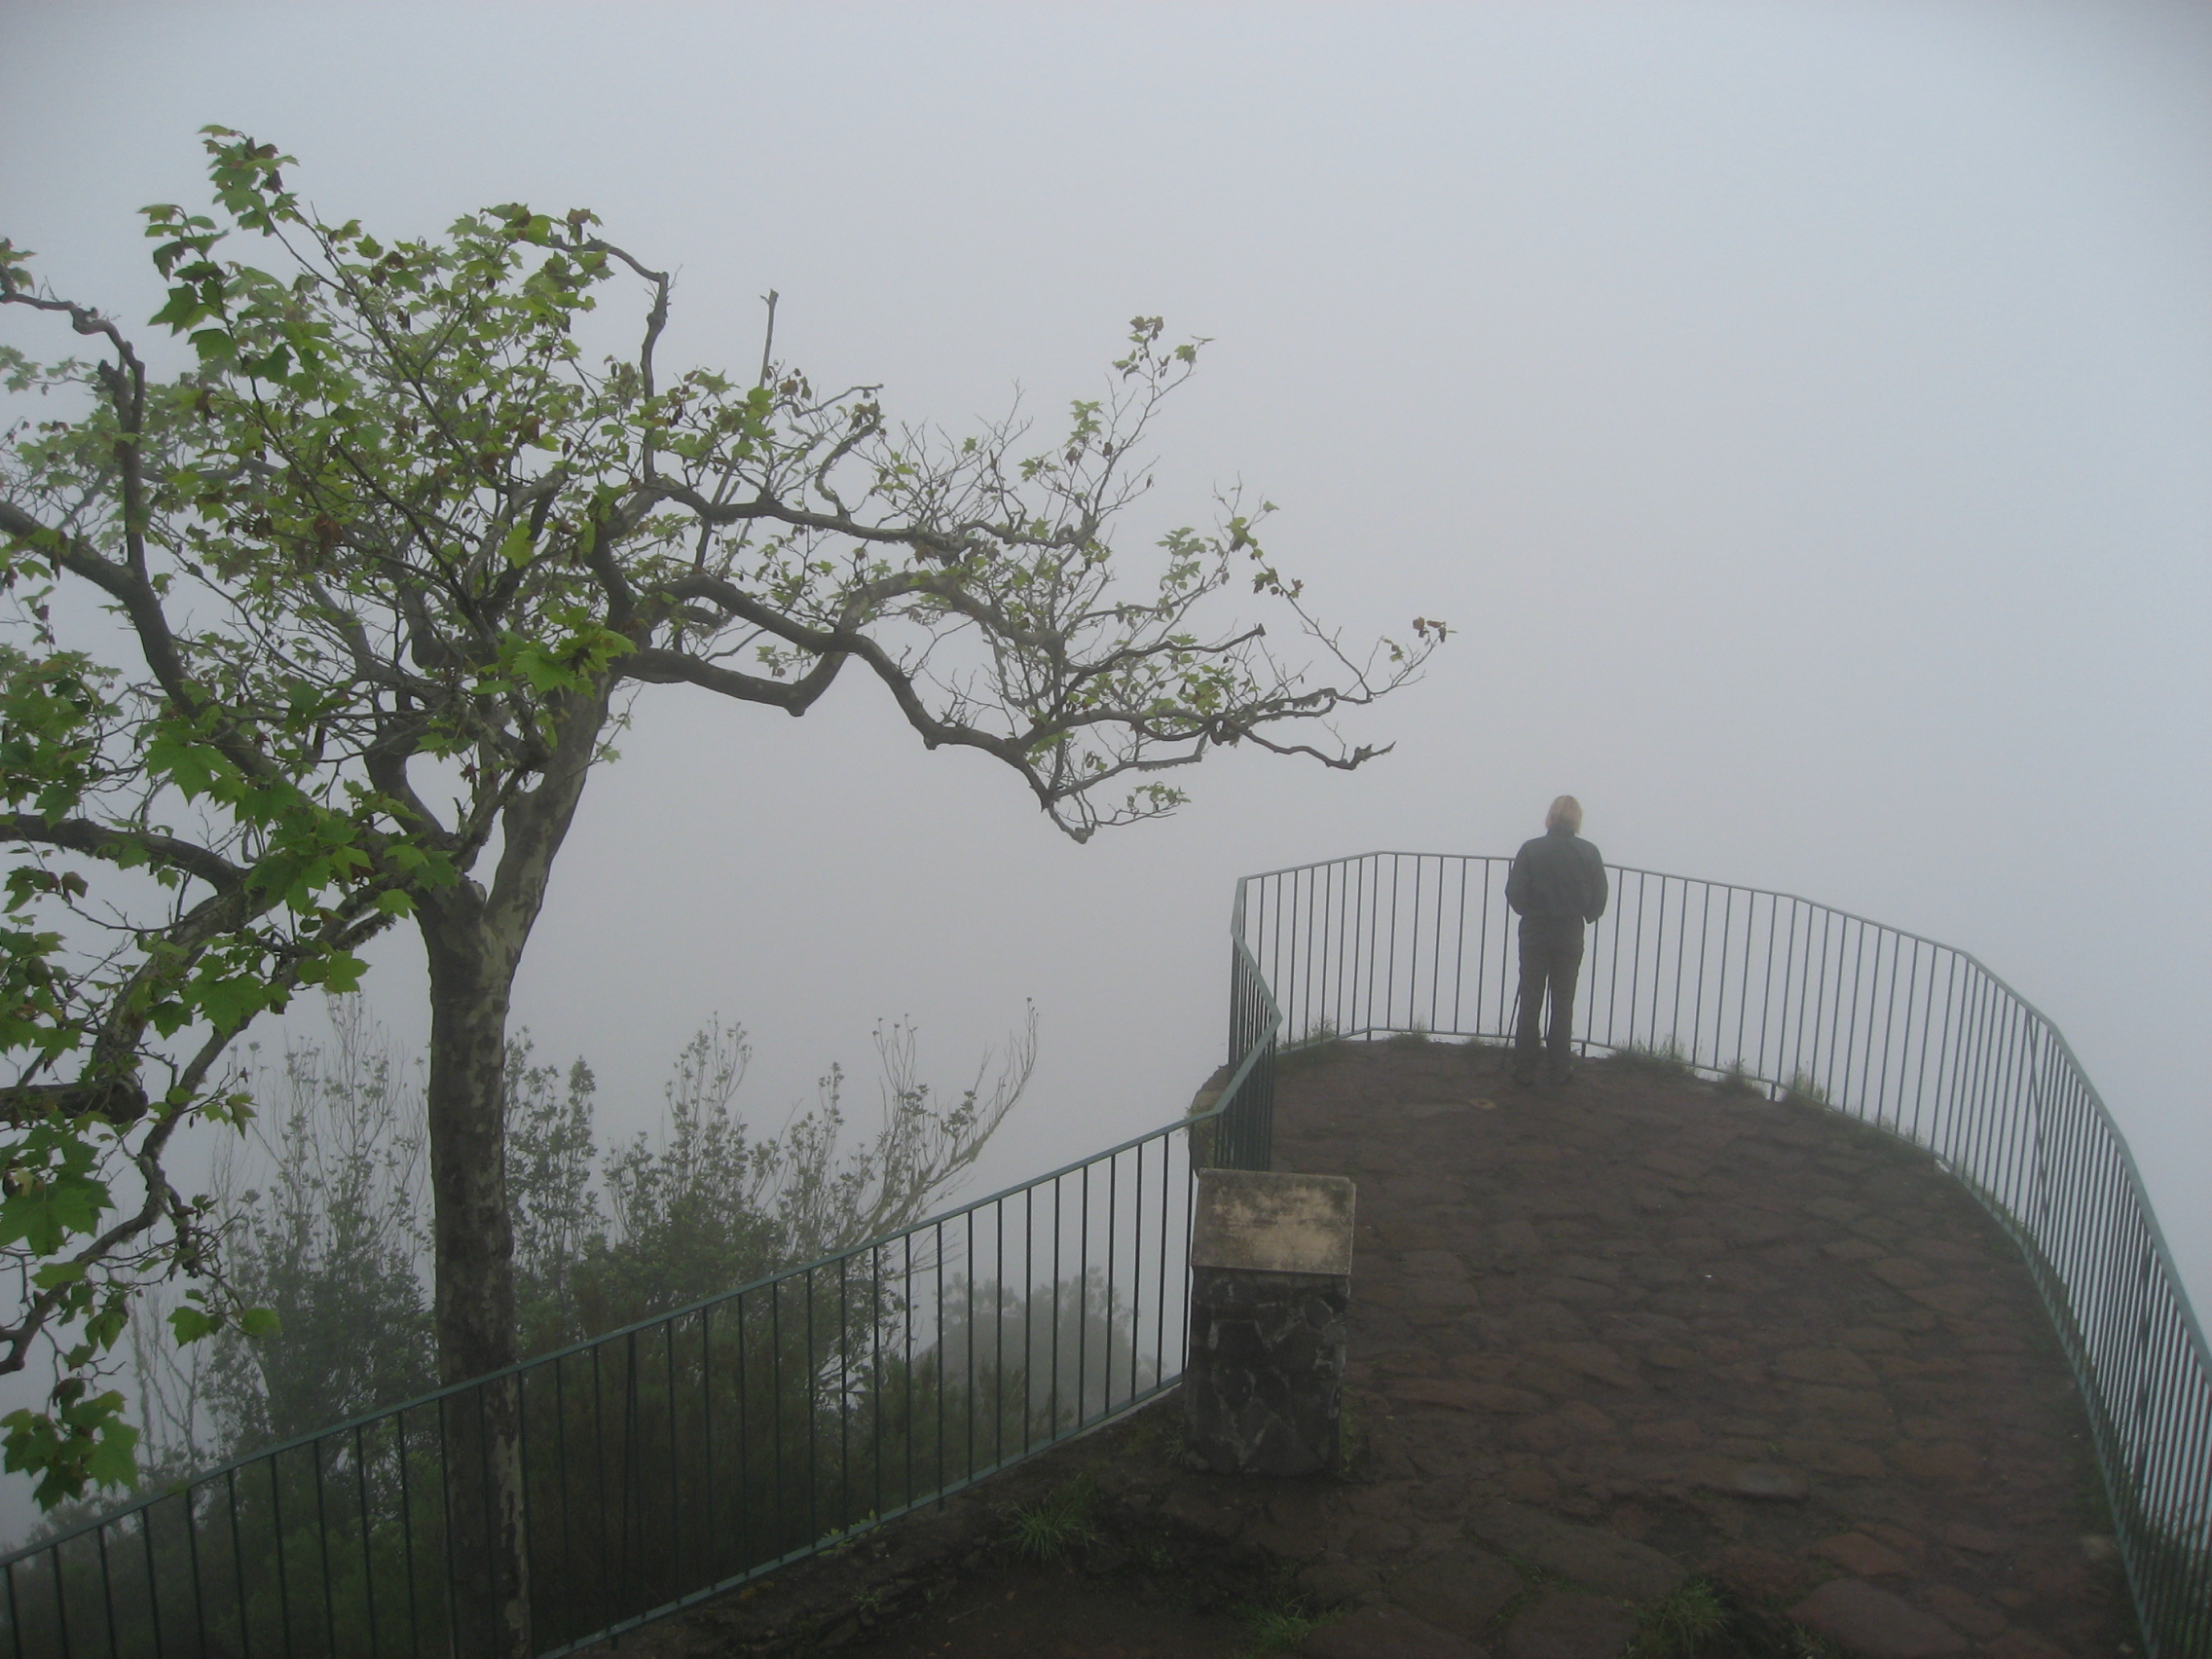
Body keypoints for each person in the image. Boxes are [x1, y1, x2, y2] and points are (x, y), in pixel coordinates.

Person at [1505, 795, 1608, 1085]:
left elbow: (1514, 892)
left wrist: (1530, 912)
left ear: (1550, 817)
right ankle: (1560, 1067)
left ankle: (1524, 1066)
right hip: (1569, 933)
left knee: (1531, 999)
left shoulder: (1531, 849)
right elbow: (1599, 897)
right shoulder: (1589, 852)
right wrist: (1586, 914)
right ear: (1577, 819)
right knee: (1563, 1001)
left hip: (1535, 932)